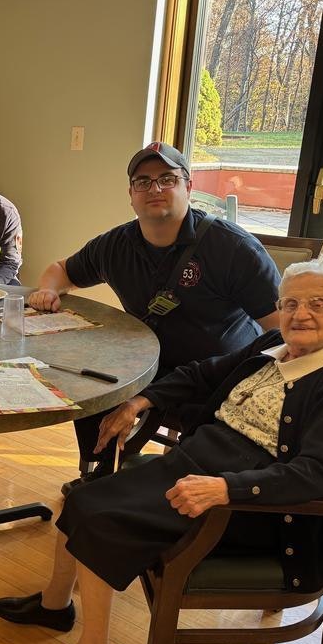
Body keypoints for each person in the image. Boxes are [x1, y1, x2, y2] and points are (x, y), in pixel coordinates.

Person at [0, 259, 323, 644]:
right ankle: (55, 605)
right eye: (290, 303)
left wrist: (226, 488)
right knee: (82, 495)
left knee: (103, 520)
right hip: (197, 465)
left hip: (252, 507)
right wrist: (141, 401)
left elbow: (319, 473)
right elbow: (204, 372)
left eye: (318, 304)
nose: (299, 314)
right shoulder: (275, 345)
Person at [30, 142, 281, 483]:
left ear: (188, 187)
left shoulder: (234, 248)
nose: (155, 189)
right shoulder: (116, 245)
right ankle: (97, 474)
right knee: (90, 381)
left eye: (167, 179)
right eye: (143, 181)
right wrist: (48, 289)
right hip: (148, 365)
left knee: (191, 467)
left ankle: (169, 487)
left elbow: (281, 330)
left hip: (216, 377)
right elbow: (61, 269)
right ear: (131, 195)